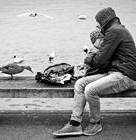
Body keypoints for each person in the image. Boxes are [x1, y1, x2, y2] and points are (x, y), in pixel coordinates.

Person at [53, 7, 136, 137]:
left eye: (98, 22)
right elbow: (103, 59)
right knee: (80, 83)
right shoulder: (115, 30)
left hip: (125, 76)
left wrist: (92, 59)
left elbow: (100, 60)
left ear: (104, 21)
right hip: (114, 72)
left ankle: (95, 123)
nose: (97, 25)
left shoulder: (115, 32)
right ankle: (75, 124)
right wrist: (89, 62)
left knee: (90, 89)